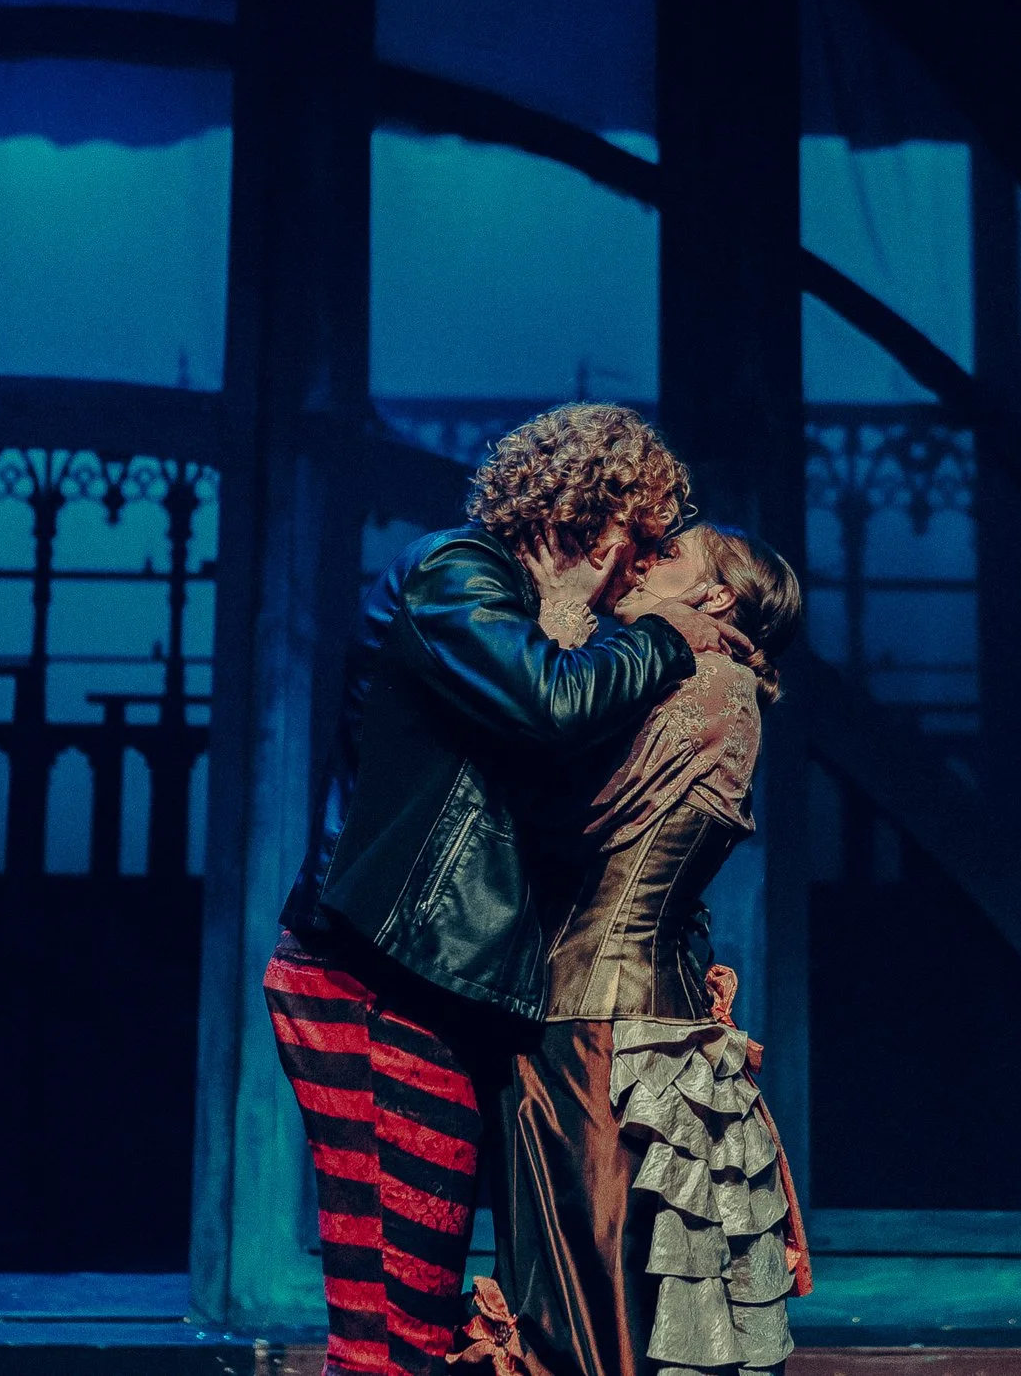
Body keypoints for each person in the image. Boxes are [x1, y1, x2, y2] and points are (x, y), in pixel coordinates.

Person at [266, 404, 749, 1376]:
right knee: (391, 1318)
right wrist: (664, 635)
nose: (633, 576)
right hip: (369, 981)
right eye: (638, 543)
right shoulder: (453, 573)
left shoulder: (536, 621)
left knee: (407, 1311)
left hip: (431, 992)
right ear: (602, 516)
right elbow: (548, 704)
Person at [467, 523, 810, 1376]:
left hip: (604, 1030)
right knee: (585, 1279)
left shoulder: (707, 681)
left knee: (596, 1296)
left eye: (671, 553)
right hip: (600, 1016)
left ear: (720, 595)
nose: (644, 559)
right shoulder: (686, 672)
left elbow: (564, 815)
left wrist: (554, 625)